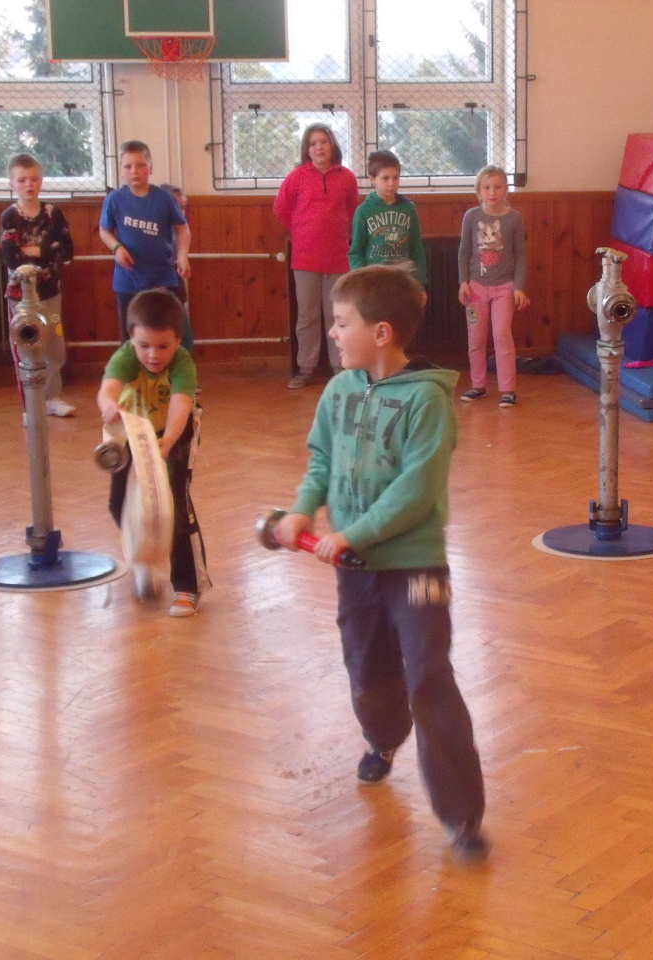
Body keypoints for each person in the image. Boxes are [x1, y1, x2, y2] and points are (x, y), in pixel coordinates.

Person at [270, 265, 488, 863]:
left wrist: (353, 533)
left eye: (343, 323)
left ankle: (462, 815)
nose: (333, 333)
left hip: (417, 570)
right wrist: (303, 509)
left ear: (382, 333)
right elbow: (321, 459)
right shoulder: (339, 391)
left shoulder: (428, 402)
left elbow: (417, 490)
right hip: (357, 571)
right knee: (368, 673)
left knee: (429, 676)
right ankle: (383, 739)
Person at [97, 288, 210, 617]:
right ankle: (145, 560)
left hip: (174, 433)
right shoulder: (126, 357)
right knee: (118, 502)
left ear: (178, 340)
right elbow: (107, 390)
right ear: (131, 338)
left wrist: (168, 441)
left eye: (163, 346)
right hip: (133, 432)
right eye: (143, 345)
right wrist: (109, 406)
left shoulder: (183, 364)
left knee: (174, 507)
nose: (152, 355)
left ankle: (188, 586)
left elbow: (180, 407)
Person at [273, 123, 361, 389]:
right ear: (307, 149)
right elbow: (281, 209)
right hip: (305, 259)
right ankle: (306, 367)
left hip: (338, 258)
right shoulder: (296, 177)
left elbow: (352, 210)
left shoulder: (347, 178)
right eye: (313, 143)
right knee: (307, 316)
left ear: (332, 145)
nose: (319, 147)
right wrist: (302, 230)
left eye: (323, 141)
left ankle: (340, 368)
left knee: (338, 316)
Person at [0, 152, 75, 418]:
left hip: (50, 291)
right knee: (28, 348)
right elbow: (12, 257)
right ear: (12, 184)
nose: (28, 185)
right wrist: (47, 251)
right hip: (21, 295)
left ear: (41, 181)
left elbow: (66, 251)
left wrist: (36, 250)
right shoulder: (10, 217)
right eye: (22, 180)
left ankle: (52, 397)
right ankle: (30, 407)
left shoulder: (53, 214)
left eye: (34, 179)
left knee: (54, 346)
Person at [98, 141, 191, 344]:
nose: (134, 171)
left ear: (150, 168)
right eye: (128, 166)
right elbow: (104, 230)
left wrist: (183, 256)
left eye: (140, 165)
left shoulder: (165, 198)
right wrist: (117, 247)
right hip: (128, 279)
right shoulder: (114, 199)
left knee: (167, 333)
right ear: (121, 170)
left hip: (162, 277)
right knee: (130, 338)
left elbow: (182, 228)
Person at [457, 165, 529, 408]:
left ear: (506, 189)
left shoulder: (514, 218)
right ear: (478, 191)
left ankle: (508, 389)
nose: (492, 192)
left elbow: (520, 255)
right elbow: (464, 251)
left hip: (504, 288)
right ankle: (478, 385)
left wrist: (518, 287)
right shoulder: (471, 217)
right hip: (475, 288)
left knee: (501, 335)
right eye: (487, 187)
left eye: (498, 187)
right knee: (476, 338)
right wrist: (463, 282)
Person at [348, 150, 428, 294]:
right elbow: (356, 253)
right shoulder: (363, 211)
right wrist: (363, 282)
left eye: (395, 177)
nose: (391, 183)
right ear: (372, 179)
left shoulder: (408, 208)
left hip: (404, 279)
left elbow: (417, 249)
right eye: (385, 178)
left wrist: (420, 284)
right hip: (375, 282)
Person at [159, 183, 196, 355]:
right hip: (157, 281)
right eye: (177, 207)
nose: (181, 212)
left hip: (174, 280)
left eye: (183, 207)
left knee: (183, 335)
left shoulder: (181, 231)